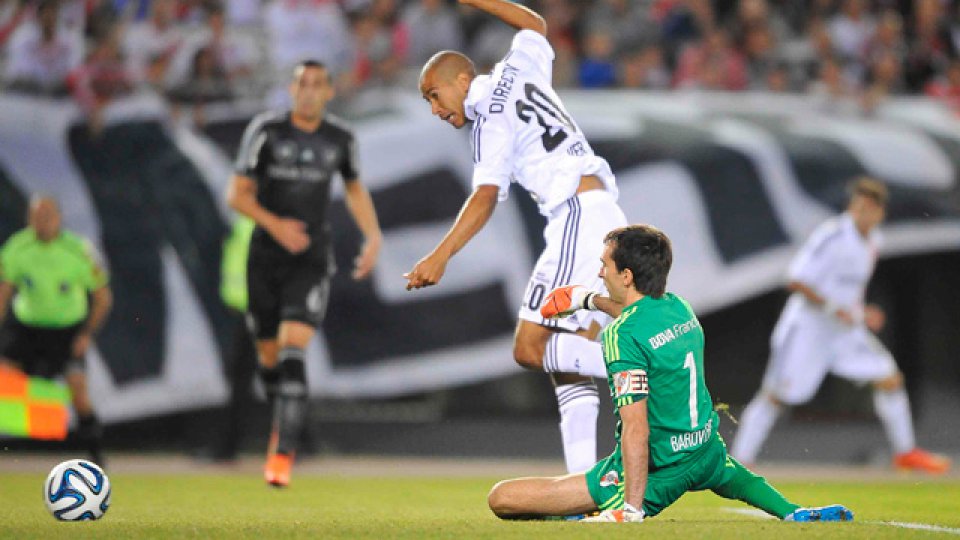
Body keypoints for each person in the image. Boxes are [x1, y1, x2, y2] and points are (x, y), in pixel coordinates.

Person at [486, 224, 853, 523]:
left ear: (626, 275)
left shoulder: (619, 336)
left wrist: (631, 506)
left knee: (502, 498)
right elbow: (638, 316)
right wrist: (585, 299)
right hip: (706, 451)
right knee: (738, 478)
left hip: (659, 472)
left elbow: (636, 427)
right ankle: (793, 512)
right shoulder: (678, 307)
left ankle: (598, 513)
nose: (600, 271)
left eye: (605, 265)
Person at [403, 0, 627, 475]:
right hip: (597, 211)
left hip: (576, 216)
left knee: (531, 347)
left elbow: (485, 197)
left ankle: (657, 372)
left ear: (462, 81)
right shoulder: (518, 67)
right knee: (560, 360)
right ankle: (584, 485)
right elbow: (535, 24)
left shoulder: (488, 120)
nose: (433, 108)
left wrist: (439, 256)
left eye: (433, 94)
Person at [227, 60, 382, 487]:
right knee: (270, 362)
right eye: (302, 84)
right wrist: (276, 225)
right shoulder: (266, 131)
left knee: (294, 347)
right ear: (292, 90)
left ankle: (281, 456)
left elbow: (353, 187)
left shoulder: (340, 138)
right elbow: (237, 195)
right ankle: (284, 424)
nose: (310, 91)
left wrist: (372, 236)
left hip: (311, 258)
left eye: (318, 84)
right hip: (265, 257)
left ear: (329, 92)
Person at [732, 178, 951, 474]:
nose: (864, 214)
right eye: (859, 207)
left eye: (871, 209)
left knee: (889, 379)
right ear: (852, 207)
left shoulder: (874, 241)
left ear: (880, 212)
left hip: (843, 332)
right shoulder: (832, 236)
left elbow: (849, 291)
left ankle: (905, 453)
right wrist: (834, 308)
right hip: (808, 329)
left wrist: (862, 313)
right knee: (778, 395)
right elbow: (796, 279)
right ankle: (739, 460)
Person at [0, 196, 112, 465]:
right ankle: (20, 439)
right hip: (27, 326)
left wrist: (86, 334)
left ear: (59, 219)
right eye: (37, 216)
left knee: (78, 391)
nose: (43, 221)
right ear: (29, 218)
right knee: (3, 380)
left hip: (66, 330)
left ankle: (97, 458)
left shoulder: (79, 250)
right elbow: (3, 292)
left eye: (48, 215)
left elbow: (103, 298)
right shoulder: (16, 248)